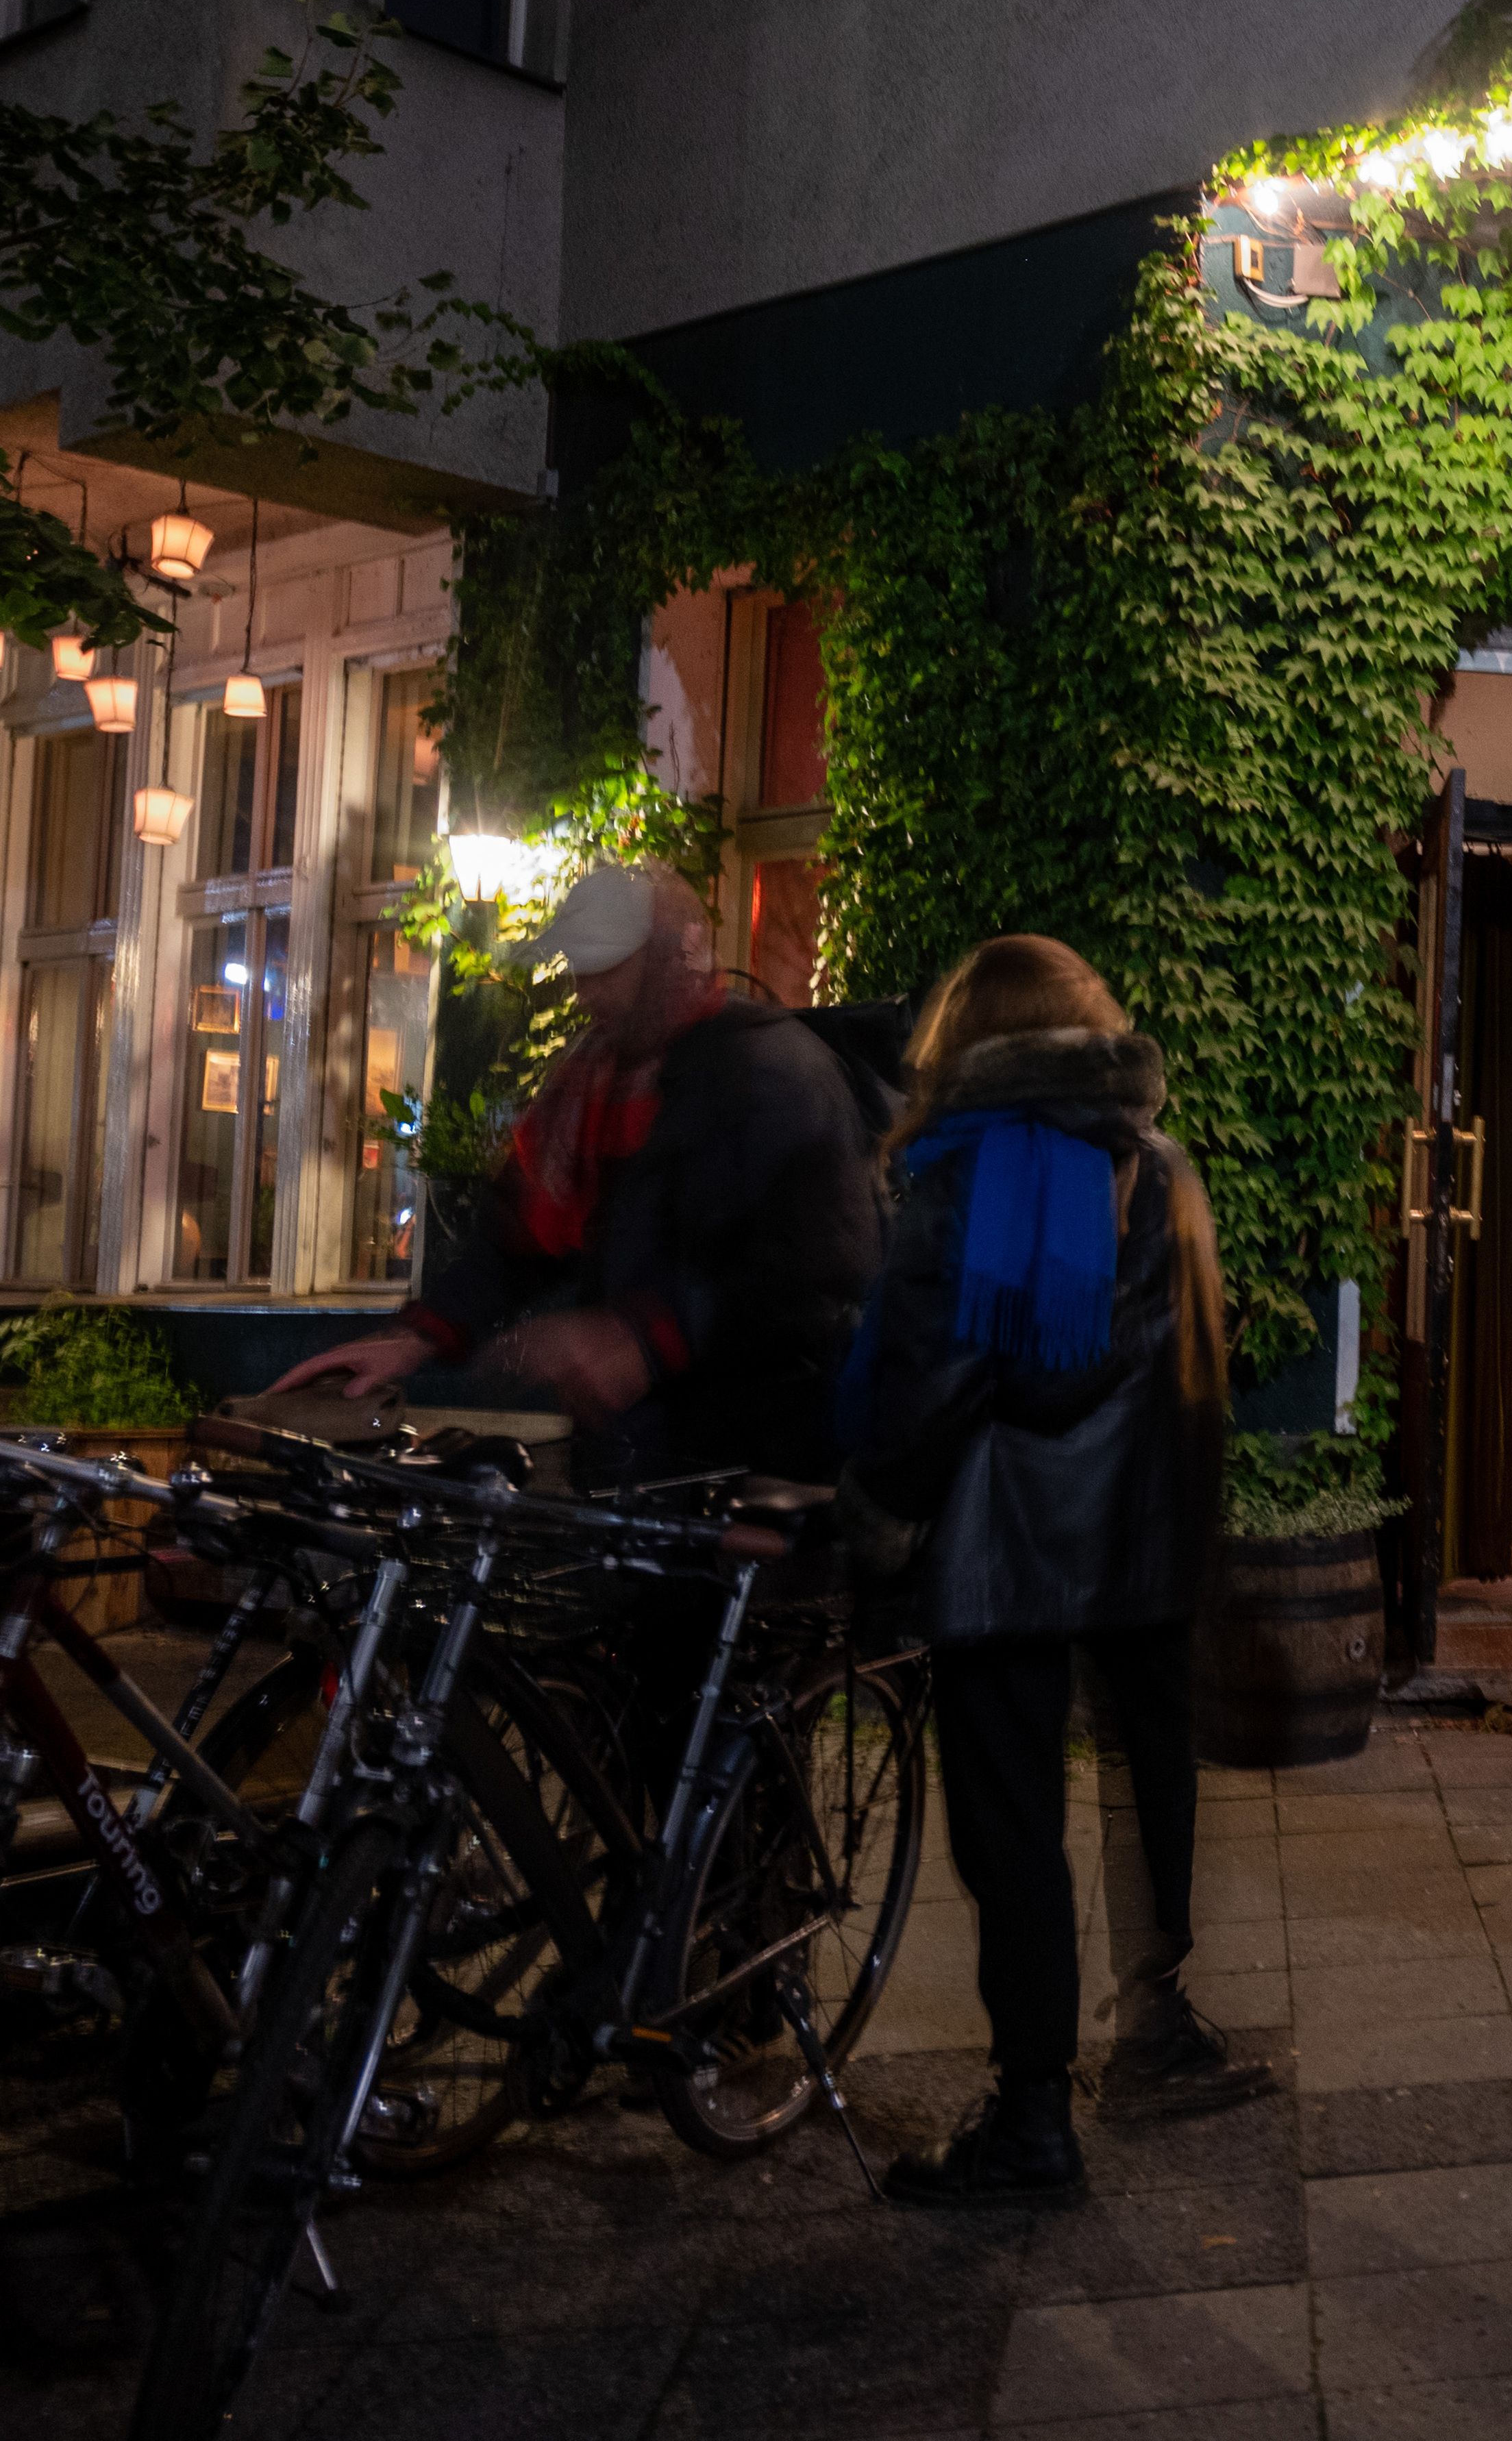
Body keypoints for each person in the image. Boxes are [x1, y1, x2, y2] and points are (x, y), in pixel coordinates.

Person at [836, 937, 1267, 2208]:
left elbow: (937, 1375)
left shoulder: (974, 1167)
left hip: (1006, 1545)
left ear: (965, 1040)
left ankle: (1033, 2111)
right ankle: (1158, 2020)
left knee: (1012, 1825)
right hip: (1143, 1542)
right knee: (1148, 1791)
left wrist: (873, 1510)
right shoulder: (1162, 1166)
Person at [277, 863, 880, 1485]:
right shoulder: (591, 1077)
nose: (585, 991)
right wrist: (422, 1335)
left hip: (758, 1465)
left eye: (605, 969)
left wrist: (645, 1338)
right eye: (579, 968)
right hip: (634, 1458)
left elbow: (822, 1271)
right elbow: (516, 1237)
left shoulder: (771, 1070)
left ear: (671, 959)